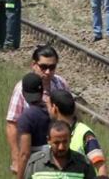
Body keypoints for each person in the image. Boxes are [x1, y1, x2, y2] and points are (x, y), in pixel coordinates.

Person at [6, 45, 70, 176]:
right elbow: (12, 124)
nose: (48, 72)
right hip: (33, 152)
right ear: (34, 65)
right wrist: (16, 158)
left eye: (52, 67)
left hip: (59, 149)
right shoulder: (22, 89)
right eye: (44, 67)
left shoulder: (61, 84)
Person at [49, 90, 107, 177]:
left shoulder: (84, 133)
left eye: (48, 105)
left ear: (54, 109)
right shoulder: (51, 132)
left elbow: (101, 167)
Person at [24, 120, 94, 179]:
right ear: (48, 140)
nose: (61, 147)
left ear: (70, 138)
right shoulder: (35, 164)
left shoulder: (84, 164)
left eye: (65, 142)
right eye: (56, 143)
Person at [11, 73, 52, 175]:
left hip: (37, 169)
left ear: (23, 93)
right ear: (42, 91)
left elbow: (25, 153)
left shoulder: (27, 117)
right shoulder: (53, 111)